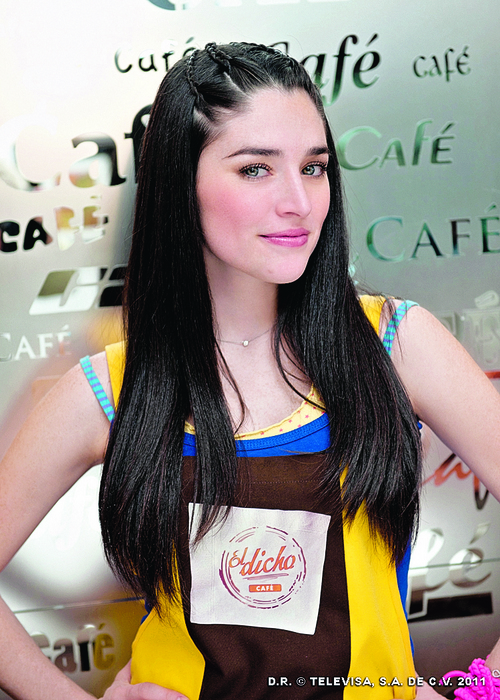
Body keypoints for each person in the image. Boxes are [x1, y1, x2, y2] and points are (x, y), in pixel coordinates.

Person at [0, 42, 499, 700]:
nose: (299, 201)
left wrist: (480, 691)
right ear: (181, 184)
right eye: (256, 169)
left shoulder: (395, 343)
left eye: (314, 168)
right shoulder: (110, 390)